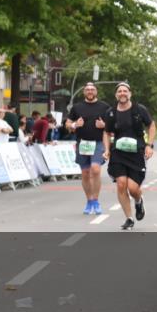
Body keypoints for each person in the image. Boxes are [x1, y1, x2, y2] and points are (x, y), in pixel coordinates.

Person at [102, 82, 155, 230]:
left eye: (125, 91)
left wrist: (149, 146)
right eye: (119, 91)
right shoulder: (111, 112)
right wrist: (107, 149)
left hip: (137, 153)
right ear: (116, 95)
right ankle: (129, 218)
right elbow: (106, 132)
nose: (122, 93)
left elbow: (151, 125)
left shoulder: (139, 110)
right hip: (118, 153)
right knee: (121, 184)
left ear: (130, 94)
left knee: (133, 189)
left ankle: (138, 201)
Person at [68, 82, 111, 215]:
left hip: (98, 142)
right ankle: (89, 201)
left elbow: (112, 126)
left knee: (96, 169)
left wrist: (104, 125)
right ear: (84, 92)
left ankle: (96, 201)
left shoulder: (104, 107)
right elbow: (67, 124)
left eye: (92, 89)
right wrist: (75, 124)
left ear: (96, 92)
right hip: (82, 143)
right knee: (85, 173)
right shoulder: (77, 107)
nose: (90, 91)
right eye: (87, 89)